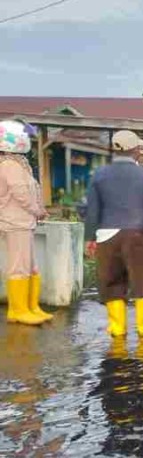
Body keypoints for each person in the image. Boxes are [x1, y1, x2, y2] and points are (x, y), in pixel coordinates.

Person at [85, 130, 143, 337]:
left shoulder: (99, 176)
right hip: (140, 236)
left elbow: (93, 211)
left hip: (107, 236)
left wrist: (90, 238)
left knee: (112, 284)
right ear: (137, 151)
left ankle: (117, 333)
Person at [0, 119, 52, 325]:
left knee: (31, 267)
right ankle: (18, 310)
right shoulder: (10, 166)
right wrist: (37, 210)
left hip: (24, 221)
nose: (29, 140)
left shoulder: (18, 164)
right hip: (15, 222)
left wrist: (38, 209)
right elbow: (21, 194)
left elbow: (31, 190)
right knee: (19, 266)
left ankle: (31, 307)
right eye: (26, 137)